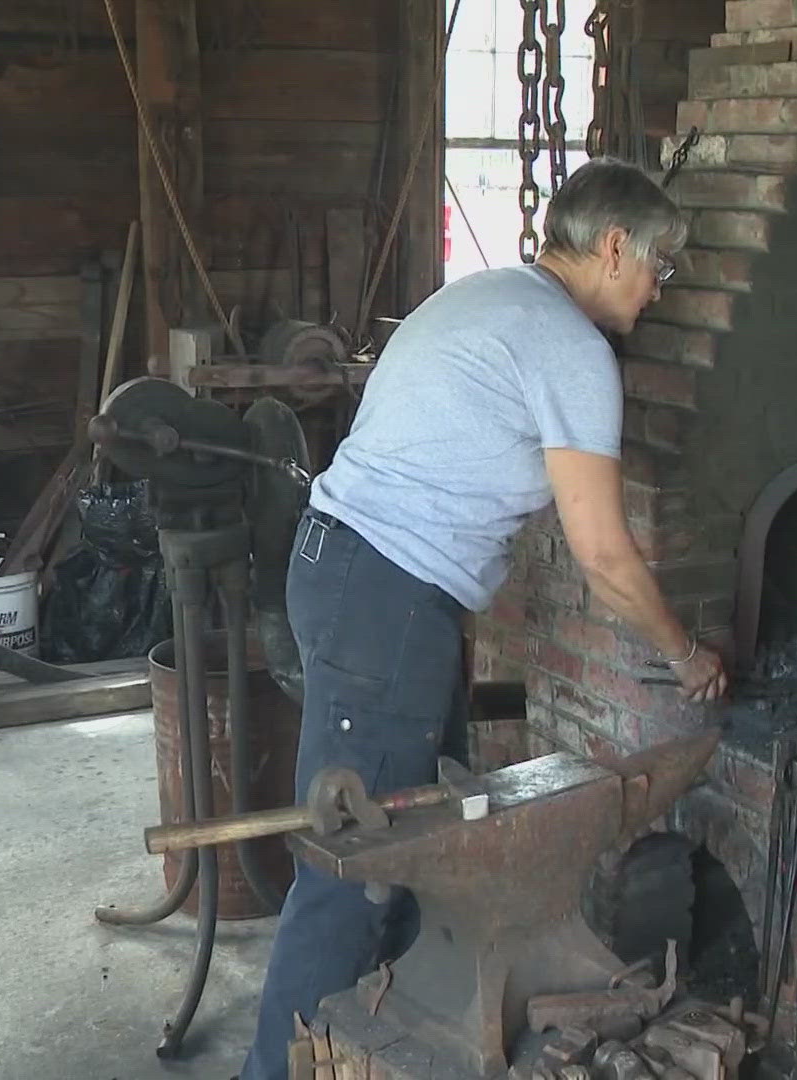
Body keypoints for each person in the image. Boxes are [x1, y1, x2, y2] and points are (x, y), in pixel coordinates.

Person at [237, 157, 728, 1079]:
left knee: (427, 842)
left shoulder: (494, 296)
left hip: (347, 574)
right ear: (613, 246)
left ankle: (394, 1045)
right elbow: (606, 555)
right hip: (383, 596)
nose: (659, 290)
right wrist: (686, 652)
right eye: (659, 266)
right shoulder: (574, 351)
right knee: (352, 871)